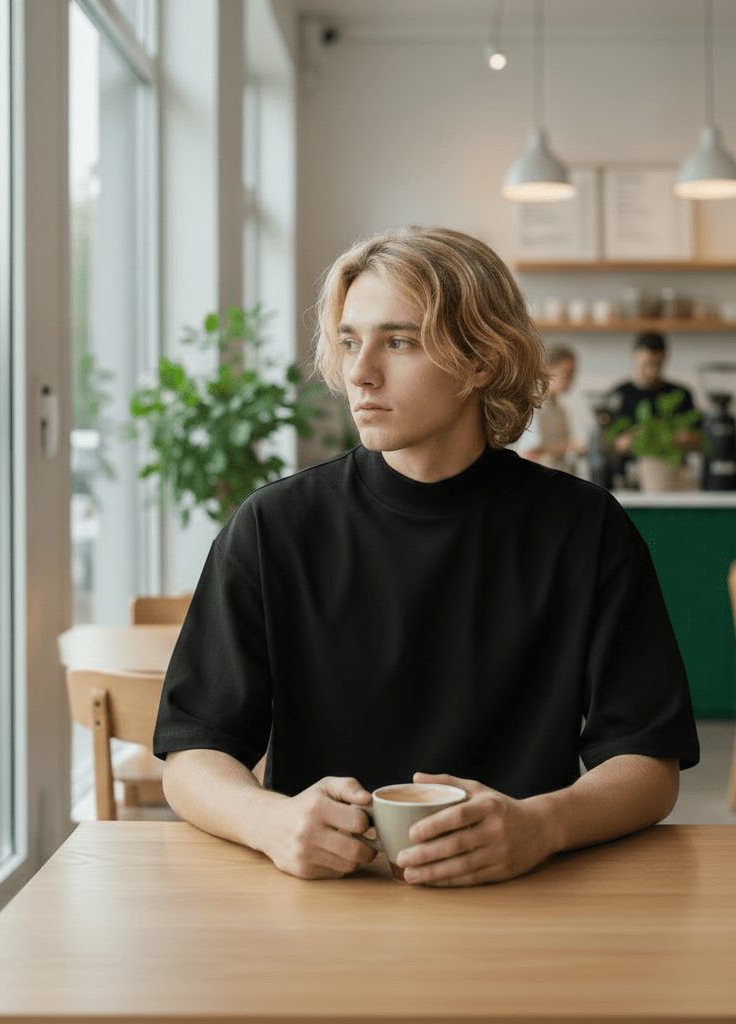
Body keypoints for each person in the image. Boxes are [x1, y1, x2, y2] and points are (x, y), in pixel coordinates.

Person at [153, 227, 699, 888]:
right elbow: (193, 751)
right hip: (327, 901)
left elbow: (648, 762)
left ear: (479, 361)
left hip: (526, 897)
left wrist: (542, 826)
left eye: (399, 341)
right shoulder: (274, 528)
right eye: (351, 341)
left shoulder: (585, 530)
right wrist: (269, 822)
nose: (359, 372)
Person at [607, 332, 700, 458]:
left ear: (665, 358)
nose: (652, 371)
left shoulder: (680, 394)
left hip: (671, 469)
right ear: (635, 355)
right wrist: (629, 439)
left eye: (657, 364)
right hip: (629, 470)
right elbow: (607, 445)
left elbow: (700, 439)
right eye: (647, 364)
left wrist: (683, 438)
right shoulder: (618, 395)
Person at [520, 343, 586, 473]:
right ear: (548, 370)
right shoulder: (530, 405)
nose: (570, 380)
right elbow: (529, 452)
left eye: (572, 374)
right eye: (567, 373)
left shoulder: (560, 408)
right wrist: (569, 446)